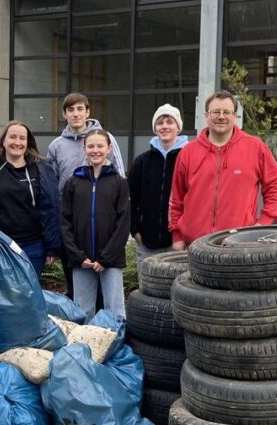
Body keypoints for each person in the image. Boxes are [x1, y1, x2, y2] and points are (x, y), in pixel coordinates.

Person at [169, 90, 277, 249]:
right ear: (206, 115)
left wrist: (263, 223)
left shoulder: (255, 147)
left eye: (227, 112)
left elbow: (275, 185)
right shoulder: (188, 153)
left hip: (239, 245)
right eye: (215, 111)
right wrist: (177, 237)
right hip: (194, 246)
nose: (221, 116)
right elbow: (176, 199)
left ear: (235, 116)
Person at [47, 92, 126, 297]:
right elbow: (52, 185)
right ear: (64, 114)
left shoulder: (105, 138)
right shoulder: (56, 146)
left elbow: (119, 174)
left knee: (106, 292)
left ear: (88, 111)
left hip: (103, 224)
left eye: (80, 109)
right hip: (73, 226)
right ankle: (83, 328)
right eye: (70, 110)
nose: (76, 114)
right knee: (78, 290)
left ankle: (106, 328)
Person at [0, 120, 61, 275]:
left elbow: (51, 208)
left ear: (28, 142)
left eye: (22, 138)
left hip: (33, 247)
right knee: (2, 295)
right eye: (12, 137)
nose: (17, 142)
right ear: (3, 141)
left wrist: (53, 247)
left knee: (28, 296)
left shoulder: (42, 168)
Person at [60, 128, 130, 320]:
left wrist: (106, 258)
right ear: (84, 149)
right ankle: (86, 347)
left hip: (110, 260)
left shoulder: (119, 182)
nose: (95, 150)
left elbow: (123, 224)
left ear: (108, 149)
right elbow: (65, 222)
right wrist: (77, 255)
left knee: (114, 310)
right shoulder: (73, 182)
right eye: (91, 146)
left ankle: (116, 346)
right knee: (83, 311)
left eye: (100, 146)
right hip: (81, 260)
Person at [128, 103, 189, 269]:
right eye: (160, 123)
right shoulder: (142, 161)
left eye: (169, 122)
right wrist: (136, 231)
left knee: (177, 292)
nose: (164, 126)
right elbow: (132, 199)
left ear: (178, 127)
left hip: (180, 243)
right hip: (147, 243)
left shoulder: (189, 158)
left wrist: (185, 235)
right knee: (148, 292)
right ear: (155, 128)